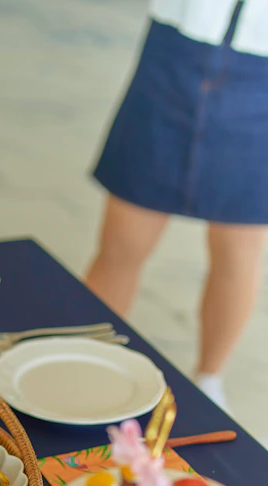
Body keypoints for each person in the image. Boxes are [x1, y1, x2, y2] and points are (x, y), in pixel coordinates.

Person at [85, 0, 268, 411]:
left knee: (239, 253)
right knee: (121, 245)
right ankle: (84, 360)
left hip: (262, 69)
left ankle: (210, 380)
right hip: (175, 49)